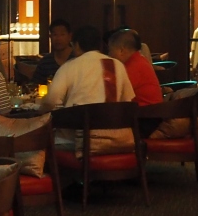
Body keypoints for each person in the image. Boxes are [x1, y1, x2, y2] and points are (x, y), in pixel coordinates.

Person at [43, 24, 135, 153]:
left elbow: (51, 102)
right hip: (117, 141)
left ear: (76, 45)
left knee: (41, 143)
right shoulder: (117, 65)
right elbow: (127, 102)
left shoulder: (69, 66)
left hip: (78, 142)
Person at [107, 28, 163, 107]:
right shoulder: (139, 60)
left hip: (147, 113)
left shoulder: (133, 67)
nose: (109, 55)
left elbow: (115, 94)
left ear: (121, 51)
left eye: (110, 50)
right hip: (149, 111)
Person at [33, 19, 75, 84]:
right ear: (50, 37)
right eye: (55, 35)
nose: (58, 38)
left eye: (62, 34)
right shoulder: (45, 62)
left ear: (69, 36)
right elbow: (35, 84)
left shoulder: (77, 58)